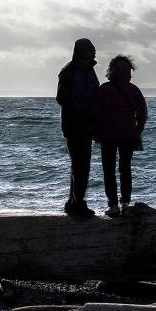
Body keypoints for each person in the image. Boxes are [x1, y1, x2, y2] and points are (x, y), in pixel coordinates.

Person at [92, 55, 147, 218]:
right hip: (127, 135)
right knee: (125, 170)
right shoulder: (133, 90)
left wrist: (95, 133)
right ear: (128, 72)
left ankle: (113, 205)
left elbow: (95, 113)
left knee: (108, 171)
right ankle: (125, 204)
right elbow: (142, 114)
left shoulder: (104, 89)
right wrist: (137, 130)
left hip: (107, 136)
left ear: (111, 71)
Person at [56, 38, 100, 217]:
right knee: (80, 165)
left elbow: (96, 92)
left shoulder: (90, 71)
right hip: (74, 124)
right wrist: (79, 111)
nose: (91, 57)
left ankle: (74, 201)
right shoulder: (68, 72)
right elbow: (61, 98)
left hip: (87, 124)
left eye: (92, 53)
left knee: (82, 165)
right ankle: (77, 204)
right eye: (88, 53)